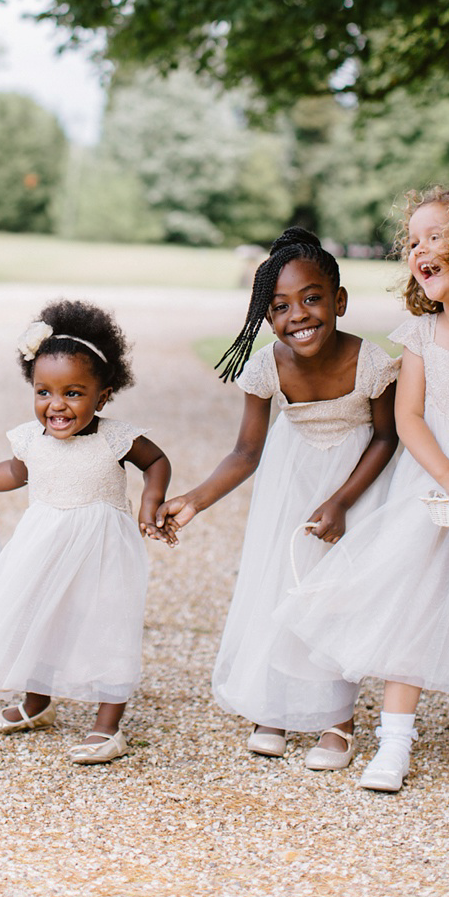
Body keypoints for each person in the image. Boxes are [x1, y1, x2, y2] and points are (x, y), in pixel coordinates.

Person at [281, 189, 449, 800]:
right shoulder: (421, 335)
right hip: (427, 486)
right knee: (411, 601)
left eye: (435, 237)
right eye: (414, 241)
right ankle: (393, 744)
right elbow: (408, 419)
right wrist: (447, 475)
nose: (419, 250)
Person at [155, 228, 399, 769]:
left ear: (338, 300)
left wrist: (341, 501)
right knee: (282, 586)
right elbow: (245, 453)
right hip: (290, 484)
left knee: (337, 596)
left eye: (312, 298)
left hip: (354, 485)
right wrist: (193, 502)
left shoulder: (373, 362)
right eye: (281, 306)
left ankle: (337, 719)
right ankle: (278, 707)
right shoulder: (267, 367)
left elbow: (387, 438)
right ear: (267, 317)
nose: (299, 315)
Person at [0, 300, 171, 764]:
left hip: (102, 550)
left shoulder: (115, 437)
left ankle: (107, 725)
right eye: (44, 392)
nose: (56, 405)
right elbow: (15, 473)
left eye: (73, 393)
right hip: (43, 545)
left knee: (106, 627)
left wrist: (150, 502)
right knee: (39, 618)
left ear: (103, 395)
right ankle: (36, 704)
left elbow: (156, 461)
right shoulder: (30, 439)